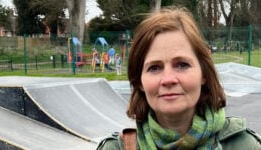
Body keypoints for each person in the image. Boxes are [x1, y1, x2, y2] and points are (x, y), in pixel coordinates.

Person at [96, 7, 261, 149]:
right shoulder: (115, 148)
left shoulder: (245, 146)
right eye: (154, 68)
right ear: (139, 81)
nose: (168, 79)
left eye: (182, 65)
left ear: (204, 73)